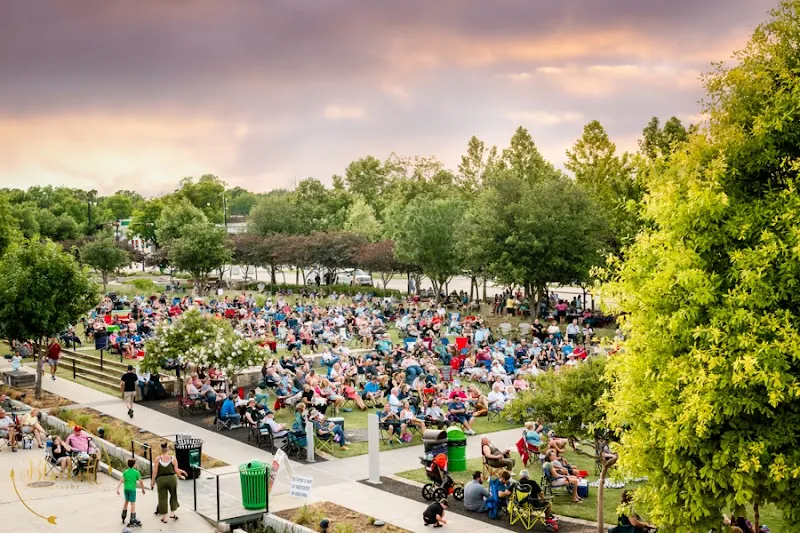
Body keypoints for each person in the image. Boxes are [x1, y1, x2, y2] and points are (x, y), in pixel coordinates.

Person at [150, 442, 187, 523]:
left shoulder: (158, 459)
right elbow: (176, 470)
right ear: (168, 449)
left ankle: (165, 517)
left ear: (161, 450)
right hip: (172, 479)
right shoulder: (173, 458)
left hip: (161, 480)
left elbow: (155, 471)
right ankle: (172, 514)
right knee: (173, 495)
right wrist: (181, 476)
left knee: (162, 498)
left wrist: (152, 481)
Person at [116, 458, 145, 527]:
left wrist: (117, 489)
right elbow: (141, 482)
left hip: (126, 489)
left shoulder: (125, 472)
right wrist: (143, 489)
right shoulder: (136, 472)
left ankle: (123, 514)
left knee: (126, 501)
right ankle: (132, 518)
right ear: (134, 465)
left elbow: (121, 480)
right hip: (132, 490)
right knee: (132, 503)